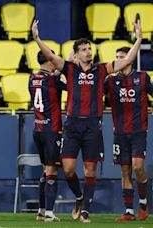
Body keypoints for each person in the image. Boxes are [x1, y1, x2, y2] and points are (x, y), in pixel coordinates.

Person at [31, 20, 142, 222]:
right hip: (72, 125)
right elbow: (49, 56)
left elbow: (126, 62)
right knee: (68, 169)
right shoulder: (69, 69)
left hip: (92, 125)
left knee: (90, 170)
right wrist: (37, 38)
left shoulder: (101, 70)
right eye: (84, 49)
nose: (88, 52)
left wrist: (139, 39)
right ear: (76, 53)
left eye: (89, 48)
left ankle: (85, 211)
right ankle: (80, 198)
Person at [104, 46, 151, 222]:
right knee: (125, 171)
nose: (118, 60)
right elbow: (92, 92)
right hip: (120, 132)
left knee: (138, 168)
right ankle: (129, 211)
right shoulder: (110, 81)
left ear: (129, 59)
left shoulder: (143, 78)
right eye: (116, 57)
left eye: (121, 57)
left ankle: (144, 203)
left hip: (138, 131)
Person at [29, 50, 66, 222]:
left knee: (45, 170)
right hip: (52, 129)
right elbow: (72, 85)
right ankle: (50, 213)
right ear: (51, 61)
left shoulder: (31, 79)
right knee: (52, 172)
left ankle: (41, 210)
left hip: (38, 129)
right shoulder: (54, 80)